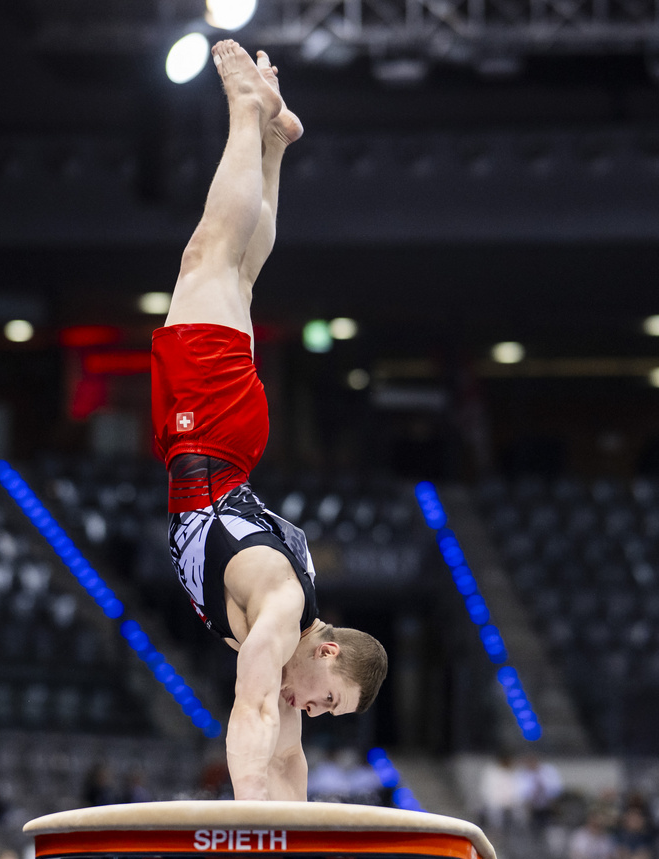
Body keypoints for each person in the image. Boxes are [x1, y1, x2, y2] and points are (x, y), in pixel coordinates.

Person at [149, 39, 387, 802]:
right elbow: (251, 713)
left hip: (224, 444)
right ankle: (245, 113)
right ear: (327, 652)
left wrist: (296, 838)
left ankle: (275, 145)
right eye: (325, 701)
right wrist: (251, 817)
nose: (310, 711)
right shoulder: (283, 614)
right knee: (210, 259)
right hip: (209, 437)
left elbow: (286, 761)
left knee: (239, 275)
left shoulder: (291, 645)